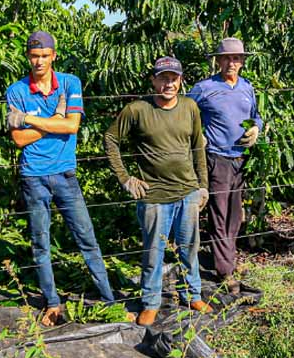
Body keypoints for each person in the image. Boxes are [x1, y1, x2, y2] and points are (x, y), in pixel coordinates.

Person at [6, 31, 121, 326]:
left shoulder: (70, 83)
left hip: (65, 174)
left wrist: (30, 119)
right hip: (33, 177)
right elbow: (19, 140)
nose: (39, 61)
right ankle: (52, 303)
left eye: (45, 55)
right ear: (28, 56)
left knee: (87, 238)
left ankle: (109, 300)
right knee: (40, 242)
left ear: (53, 55)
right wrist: (55, 121)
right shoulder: (16, 90)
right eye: (34, 56)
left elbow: (72, 126)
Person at [104, 57, 212, 326]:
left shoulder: (189, 107)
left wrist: (203, 186)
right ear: (153, 80)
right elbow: (111, 139)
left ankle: (192, 293)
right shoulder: (137, 110)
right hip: (153, 196)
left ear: (180, 80)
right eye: (163, 78)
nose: (168, 83)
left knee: (189, 247)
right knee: (154, 251)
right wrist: (125, 178)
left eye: (173, 78)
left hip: (187, 191)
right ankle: (150, 301)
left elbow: (198, 147)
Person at [188, 38, 263, 293]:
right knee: (219, 213)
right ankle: (225, 270)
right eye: (227, 58)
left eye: (236, 58)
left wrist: (256, 128)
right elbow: (185, 111)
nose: (232, 63)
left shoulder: (247, 88)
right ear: (218, 61)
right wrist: (198, 134)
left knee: (235, 214)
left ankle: (228, 258)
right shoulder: (204, 88)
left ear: (242, 62)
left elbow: (256, 115)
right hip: (217, 157)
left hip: (241, 159)